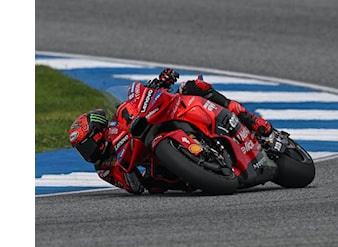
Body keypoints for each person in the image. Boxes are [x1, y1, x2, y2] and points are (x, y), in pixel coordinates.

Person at [69, 69, 273, 194]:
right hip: (154, 159)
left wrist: (161, 82)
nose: (87, 153)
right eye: (82, 149)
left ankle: (251, 120)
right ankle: (201, 169)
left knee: (192, 87)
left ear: (98, 133)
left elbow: (136, 98)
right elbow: (134, 187)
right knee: (156, 184)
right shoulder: (104, 169)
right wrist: (127, 169)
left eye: (86, 146)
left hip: (159, 120)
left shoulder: (116, 122)